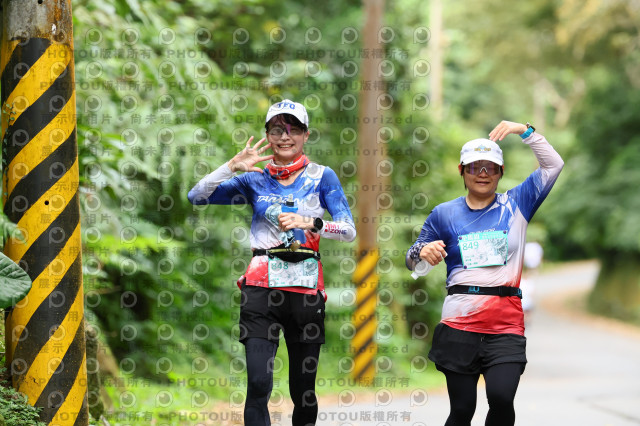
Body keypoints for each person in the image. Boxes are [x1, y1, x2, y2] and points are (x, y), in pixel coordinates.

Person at [188, 99, 356, 426]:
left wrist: (311, 223)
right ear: (267, 135)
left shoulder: (323, 176)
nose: (285, 136)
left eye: (294, 129)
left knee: (303, 390)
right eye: (277, 129)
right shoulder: (254, 179)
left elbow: (348, 230)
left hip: (305, 291)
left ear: (306, 135)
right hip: (260, 289)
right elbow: (197, 197)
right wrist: (231, 166)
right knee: (258, 384)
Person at [406, 121, 563, 426]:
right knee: (462, 409)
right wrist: (421, 253)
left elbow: (553, 165)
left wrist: (524, 131)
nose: (482, 173)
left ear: (500, 172)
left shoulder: (518, 203)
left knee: (502, 398)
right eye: (474, 166)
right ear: (462, 171)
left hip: (506, 324)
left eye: (490, 167)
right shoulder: (444, 213)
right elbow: (412, 260)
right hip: (459, 324)